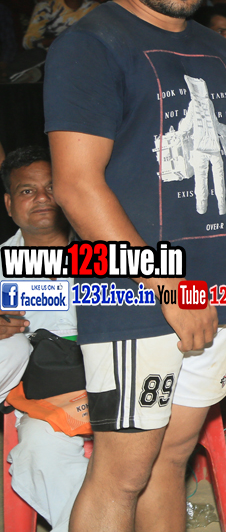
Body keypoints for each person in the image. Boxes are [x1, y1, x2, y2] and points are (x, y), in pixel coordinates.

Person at [42, 0, 226, 532]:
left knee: (172, 460)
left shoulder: (216, 48)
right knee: (122, 474)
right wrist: (171, 287)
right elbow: (76, 187)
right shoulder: (91, 44)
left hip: (216, 288)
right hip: (132, 292)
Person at [0, 146, 87, 532]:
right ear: (9, 204)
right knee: (39, 450)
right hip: (42, 397)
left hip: (113, 380)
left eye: (52, 187)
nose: (42, 197)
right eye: (27, 190)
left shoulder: (106, 250)